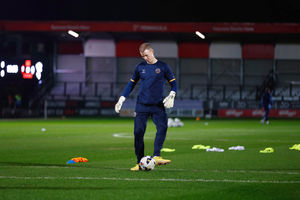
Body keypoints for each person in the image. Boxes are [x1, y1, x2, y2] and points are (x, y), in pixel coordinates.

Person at [115, 43, 178, 171]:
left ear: (152, 52)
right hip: (141, 105)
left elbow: (174, 84)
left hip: (157, 105)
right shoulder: (140, 67)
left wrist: (172, 94)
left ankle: (157, 156)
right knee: (138, 133)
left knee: (162, 127)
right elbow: (131, 85)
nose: (145, 58)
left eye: (146, 55)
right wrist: (122, 98)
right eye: (143, 56)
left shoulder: (163, 67)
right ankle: (139, 162)